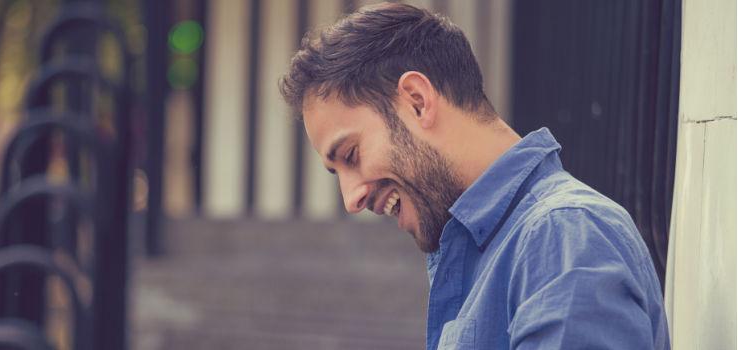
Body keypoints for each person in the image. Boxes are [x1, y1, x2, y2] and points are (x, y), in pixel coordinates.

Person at [279, 3, 669, 349]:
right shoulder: (500, 248)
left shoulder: (563, 235)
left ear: (417, 101)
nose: (351, 199)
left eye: (351, 154)